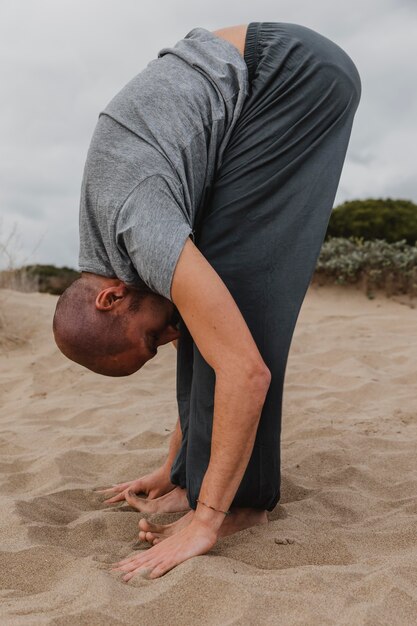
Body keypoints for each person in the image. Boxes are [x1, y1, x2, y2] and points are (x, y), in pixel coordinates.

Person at [53, 22, 361, 580]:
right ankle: (196, 477)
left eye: (150, 339)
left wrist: (207, 520)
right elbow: (195, 331)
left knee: (238, 298)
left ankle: (237, 502)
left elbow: (245, 371)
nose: (168, 340)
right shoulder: (122, 251)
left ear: (109, 298)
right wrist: (175, 466)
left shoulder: (139, 227)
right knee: (202, 312)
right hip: (263, 82)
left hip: (289, 77)